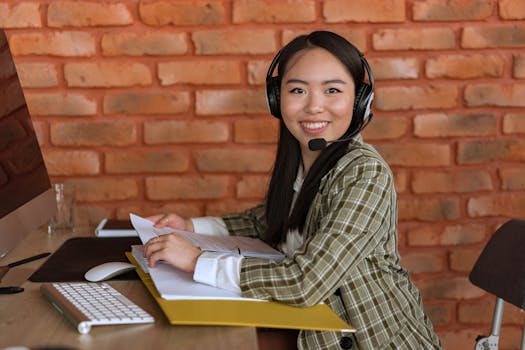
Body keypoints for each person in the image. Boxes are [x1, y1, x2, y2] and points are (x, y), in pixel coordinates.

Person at [143, 31, 442, 349]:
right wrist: (190, 227)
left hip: (374, 341)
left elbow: (305, 282)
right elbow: (265, 223)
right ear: (276, 99)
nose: (314, 106)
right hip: (309, 331)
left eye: (332, 90)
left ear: (359, 101)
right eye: (298, 90)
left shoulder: (364, 174)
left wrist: (198, 261)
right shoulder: (302, 159)